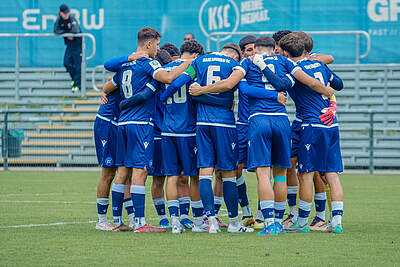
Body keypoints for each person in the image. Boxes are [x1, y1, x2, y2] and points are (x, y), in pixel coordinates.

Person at [102, 26, 191, 233]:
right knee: (140, 171)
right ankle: (140, 223)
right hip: (140, 124)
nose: (158, 48)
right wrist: (187, 63)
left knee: (122, 171)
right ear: (149, 44)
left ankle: (118, 221)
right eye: (157, 44)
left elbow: (107, 87)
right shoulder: (149, 63)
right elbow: (168, 78)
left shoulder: (125, 65)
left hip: (122, 124)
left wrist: (107, 97)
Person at [161, 43, 255, 234]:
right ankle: (233, 223)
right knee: (228, 172)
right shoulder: (233, 65)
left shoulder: (200, 61)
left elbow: (180, 80)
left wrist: (165, 96)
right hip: (224, 123)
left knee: (205, 171)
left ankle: (209, 221)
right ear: (235, 56)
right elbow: (233, 91)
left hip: (202, 123)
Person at [53, 3, 82, 92]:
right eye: (64, 13)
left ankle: (77, 85)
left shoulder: (72, 18)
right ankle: (74, 79)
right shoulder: (59, 20)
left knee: (78, 66)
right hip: (69, 46)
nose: (66, 14)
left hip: (78, 45)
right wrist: (66, 33)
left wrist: (67, 33)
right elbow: (56, 30)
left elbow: (75, 30)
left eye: (67, 12)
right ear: (60, 13)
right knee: (67, 63)